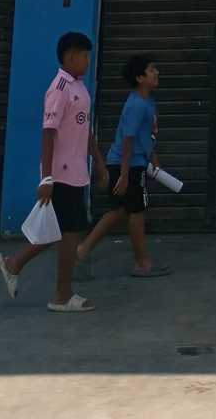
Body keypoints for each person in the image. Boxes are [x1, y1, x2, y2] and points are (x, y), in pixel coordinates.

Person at [0, 30, 109, 311]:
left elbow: (84, 129)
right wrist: (46, 178)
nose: (88, 61)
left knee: (60, 231)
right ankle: (61, 295)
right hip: (61, 174)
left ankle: (15, 264)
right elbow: (48, 133)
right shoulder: (59, 89)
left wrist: (99, 162)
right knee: (67, 233)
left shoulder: (79, 87)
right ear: (70, 57)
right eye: (84, 56)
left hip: (77, 173)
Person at [75, 55, 165, 278]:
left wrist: (153, 156)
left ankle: (82, 250)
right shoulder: (137, 105)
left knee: (119, 210)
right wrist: (125, 174)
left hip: (129, 163)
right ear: (140, 78)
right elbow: (128, 139)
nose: (157, 73)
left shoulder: (147, 101)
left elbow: (145, 135)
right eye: (152, 69)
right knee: (137, 211)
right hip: (128, 165)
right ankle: (142, 263)